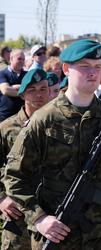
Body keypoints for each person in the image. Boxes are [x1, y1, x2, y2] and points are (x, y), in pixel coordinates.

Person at [3, 39, 101, 249]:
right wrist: (39, 219)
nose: (93, 72)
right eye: (84, 66)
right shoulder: (44, 119)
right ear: (66, 69)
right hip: (58, 232)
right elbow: (15, 176)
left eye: (98, 67)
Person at [0, 68, 50, 250]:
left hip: (48, 210)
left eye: (43, 89)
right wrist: (1, 199)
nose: (39, 95)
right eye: (32, 90)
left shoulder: (58, 125)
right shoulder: (7, 128)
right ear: (22, 95)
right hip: (17, 211)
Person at [0, 49, 26, 121]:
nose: (22, 61)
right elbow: (5, 90)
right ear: (11, 59)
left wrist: (13, 87)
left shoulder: (27, 75)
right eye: (19, 59)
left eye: (23, 59)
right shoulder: (2, 73)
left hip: (22, 117)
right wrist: (23, 91)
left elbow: (31, 90)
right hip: (5, 116)